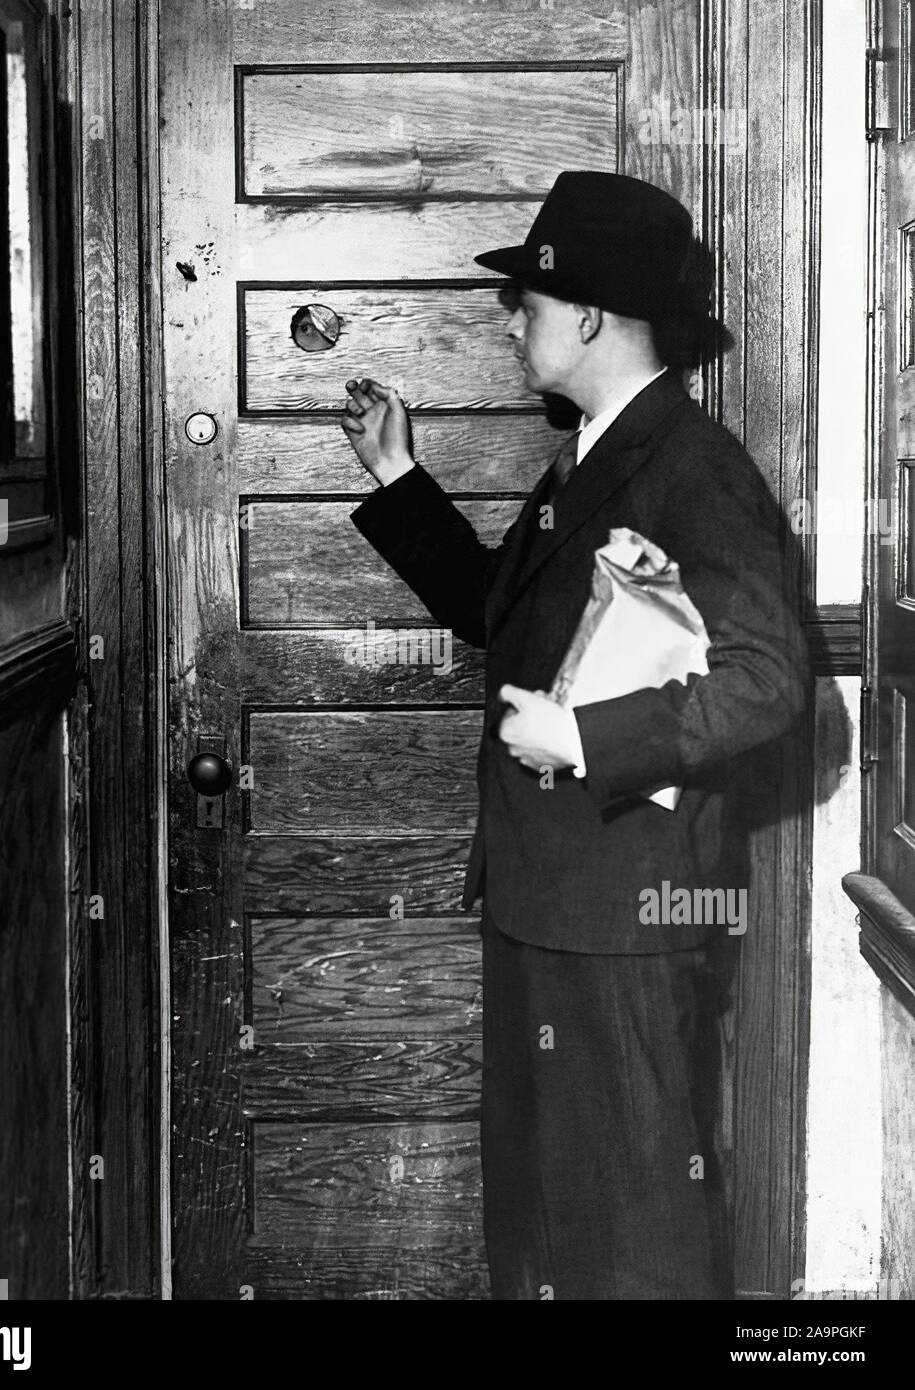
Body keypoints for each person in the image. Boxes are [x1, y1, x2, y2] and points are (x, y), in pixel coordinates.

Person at [339, 171, 808, 1300]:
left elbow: (773, 681)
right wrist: (399, 476)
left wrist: (589, 738)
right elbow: (502, 606)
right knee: (549, 1227)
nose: (512, 322)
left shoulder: (692, 468)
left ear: (591, 313)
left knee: (633, 1231)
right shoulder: (598, 451)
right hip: (553, 902)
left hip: (623, 918)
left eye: (527, 304)